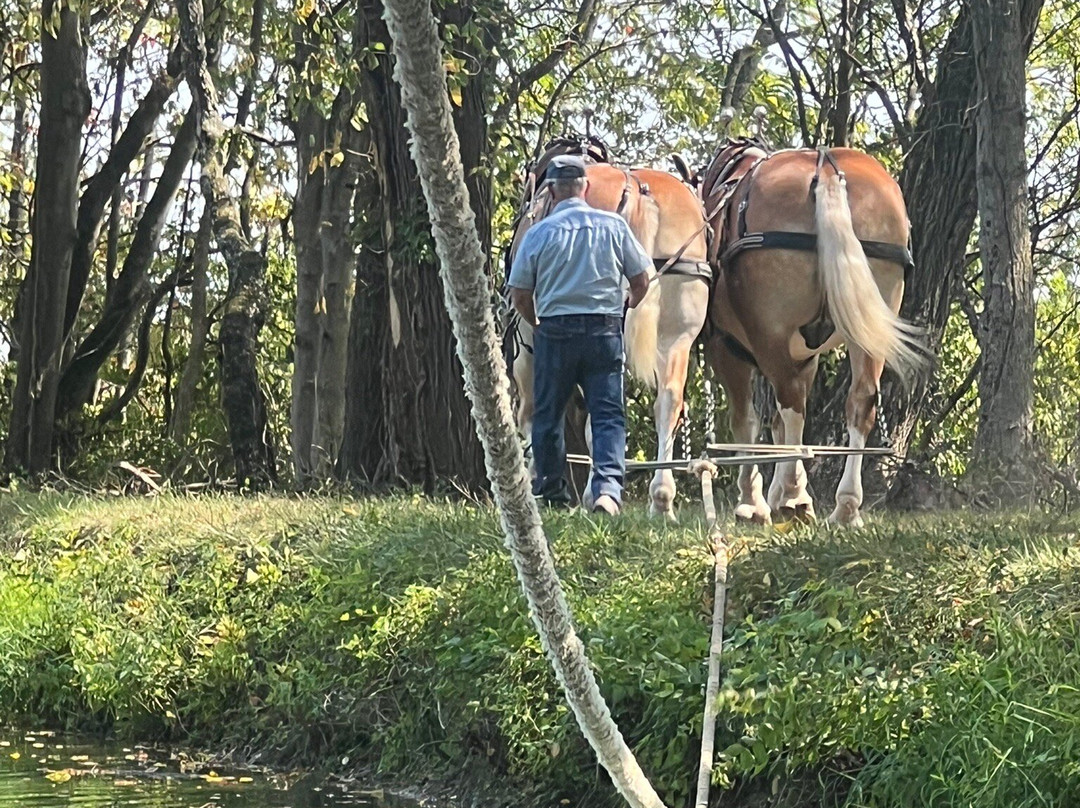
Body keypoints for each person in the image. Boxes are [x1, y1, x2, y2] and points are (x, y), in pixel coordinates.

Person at [507, 154, 651, 515]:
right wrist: (627, 307)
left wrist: (537, 322)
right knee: (607, 415)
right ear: (585, 188)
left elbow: (520, 294)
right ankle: (607, 491)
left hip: (555, 330)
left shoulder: (539, 233)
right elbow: (641, 279)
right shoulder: (614, 227)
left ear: (552, 192)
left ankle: (553, 493)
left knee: (548, 414)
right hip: (603, 329)